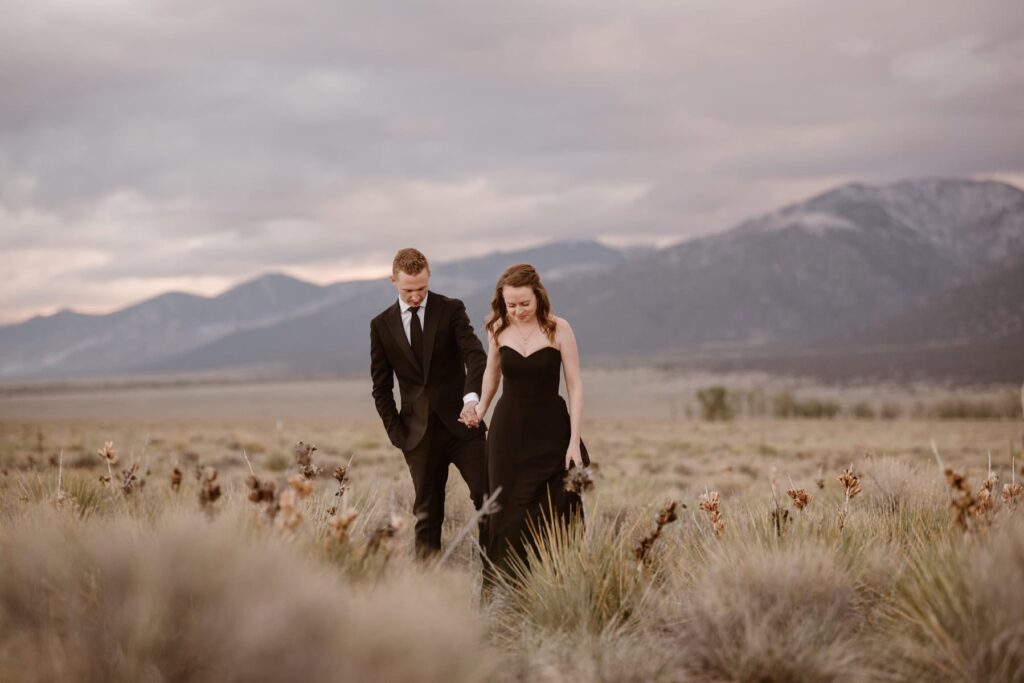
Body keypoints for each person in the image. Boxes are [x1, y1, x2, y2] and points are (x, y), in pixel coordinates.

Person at [471, 263, 589, 579]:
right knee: (506, 512)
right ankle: (505, 588)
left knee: (556, 507)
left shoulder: (559, 328)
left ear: (538, 296)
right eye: (511, 305)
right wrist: (481, 409)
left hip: (551, 431)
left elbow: (575, 387)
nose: (519, 310)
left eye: (525, 303)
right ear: (501, 301)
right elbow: (491, 376)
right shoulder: (497, 328)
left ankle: (554, 583)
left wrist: (574, 440)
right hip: (508, 434)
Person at [369, 248, 489, 559]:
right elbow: (381, 388)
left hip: (464, 426)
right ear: (393, 280)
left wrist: (472, 400)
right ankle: (427, 586)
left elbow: (475, 356)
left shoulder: (451, 309)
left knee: (488, 497)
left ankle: (497, 576)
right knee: (427, 512)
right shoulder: (381, 325)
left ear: (429, 277)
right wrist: (398, 434)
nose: (415, 296)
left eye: (421, 288)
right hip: (417, 435)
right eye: (408, 290)